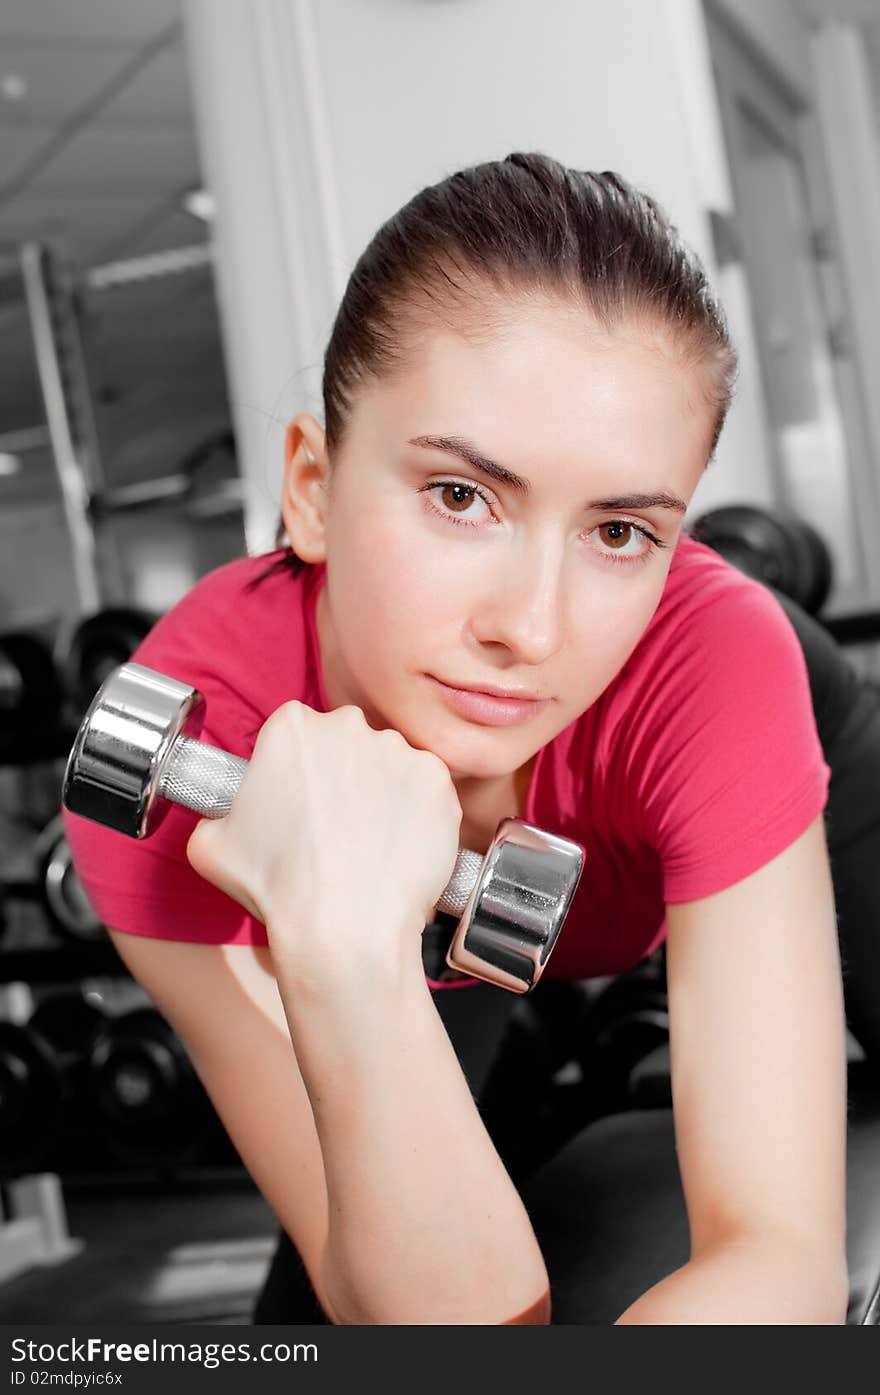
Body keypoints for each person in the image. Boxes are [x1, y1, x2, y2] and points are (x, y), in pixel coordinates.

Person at [64, 153, 848, 1325]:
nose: (530, 630)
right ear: (313, 490)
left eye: (621, 530)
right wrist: (344, 948)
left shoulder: (703, 658)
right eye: (460, 497)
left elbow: (779, 1256)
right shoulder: (181, 755)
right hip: (428, 932)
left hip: (780, 739)